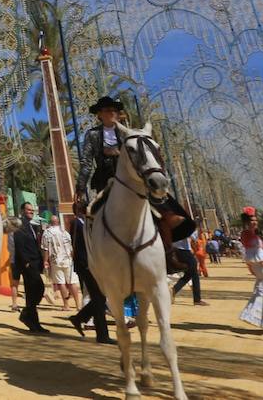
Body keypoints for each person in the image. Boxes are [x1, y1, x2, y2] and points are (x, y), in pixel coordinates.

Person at [75, 96, 191, 271]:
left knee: (163, 209)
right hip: (105, 180)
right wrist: (80, 186)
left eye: (114, 110)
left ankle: (169, 254)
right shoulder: (92, 134)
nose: (112, 113)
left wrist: (118, 152)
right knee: (92, 212)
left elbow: (143, 154)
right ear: (99, 114)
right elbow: (86, 161)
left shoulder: (127, 132)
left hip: (133, 178)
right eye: (107, 110)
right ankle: (96, 258)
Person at [67, 202, 112, 343]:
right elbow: (79, 246)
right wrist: (85, 264)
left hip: (92, 265)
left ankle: (80, 319)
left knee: (100, 298)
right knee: (99, 298)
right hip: (85, 266)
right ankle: (101, 334)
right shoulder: (76, 223)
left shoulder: (86, 222)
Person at [11, 203, 47, 334]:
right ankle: (29, 317)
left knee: (34, 293)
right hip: (28, 264)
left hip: (36, 263)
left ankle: (32, 321)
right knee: (38, 288)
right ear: (22, 211)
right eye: (29, 210)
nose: (31, 212)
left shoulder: (32, 226)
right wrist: (26, 262)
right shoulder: (20, 226)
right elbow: (19, 245)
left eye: (32, 210)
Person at [40, 215, 78, 311]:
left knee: (61, 283)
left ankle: (66, 305)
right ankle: (78, 305)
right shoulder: (64, 232)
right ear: (58, 222)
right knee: (72, 282)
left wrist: (45, 260)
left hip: (55, 260)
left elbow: (46, 249)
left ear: (50, 222)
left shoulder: (47, 233)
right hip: (68, 260)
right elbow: (71, 246)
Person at [170, 233, 206, 306]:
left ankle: (174, 290)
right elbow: (193, 236)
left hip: (175, 250)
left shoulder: (173, 224)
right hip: (184, 250)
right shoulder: (184, 222)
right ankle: (197, 300)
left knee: (189, 273)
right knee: (194, 274)